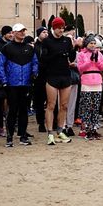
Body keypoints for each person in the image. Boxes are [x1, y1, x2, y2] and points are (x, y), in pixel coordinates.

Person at [0, 23, 38, 147]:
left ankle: (23, 136)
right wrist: (4, 81)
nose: (22, 33)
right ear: (14, 33)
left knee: (23, 111)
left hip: (25, 84)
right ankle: (9, 137)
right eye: (20, 31)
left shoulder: (30, 48)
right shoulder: (7, 48)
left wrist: (34, 74)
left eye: (24, 31)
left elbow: (35, 62)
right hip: (12, 84)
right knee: (12, 111)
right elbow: (1, 65)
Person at [40, 17, 75, 146]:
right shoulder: (47, 41)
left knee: (64, 105)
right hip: (52, 76)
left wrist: (72, 47)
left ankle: (60, 130)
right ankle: (50, 133)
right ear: (54, 28)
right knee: (51, 105)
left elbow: (71, 57)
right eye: (59, 28)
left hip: (65, 75)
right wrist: (58, 54)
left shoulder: (66, 40)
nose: (61, 30)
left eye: (62, 28)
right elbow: (43, 59)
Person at [77, 35, 103, 140]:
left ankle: (94, 128)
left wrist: (97, 60)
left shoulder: (99, 54)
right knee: (87, 106)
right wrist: (89, 61)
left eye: (94, 43)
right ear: (87, 44)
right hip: (86, 81)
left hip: (97, 81)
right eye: (91, 43)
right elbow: (80, 68)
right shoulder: (81, 54)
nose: (93, 45)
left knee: (95, 106)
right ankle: (87, 128)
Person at [33, 26, 49, 133]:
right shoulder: (34, 47)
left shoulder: (49, 45)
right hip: (38, 77)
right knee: (39, 100)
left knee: (50, 100)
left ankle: (52, 121)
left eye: (47, 32)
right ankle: (41, 122)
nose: (46, 34)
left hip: (49, 75)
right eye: (43, 32)